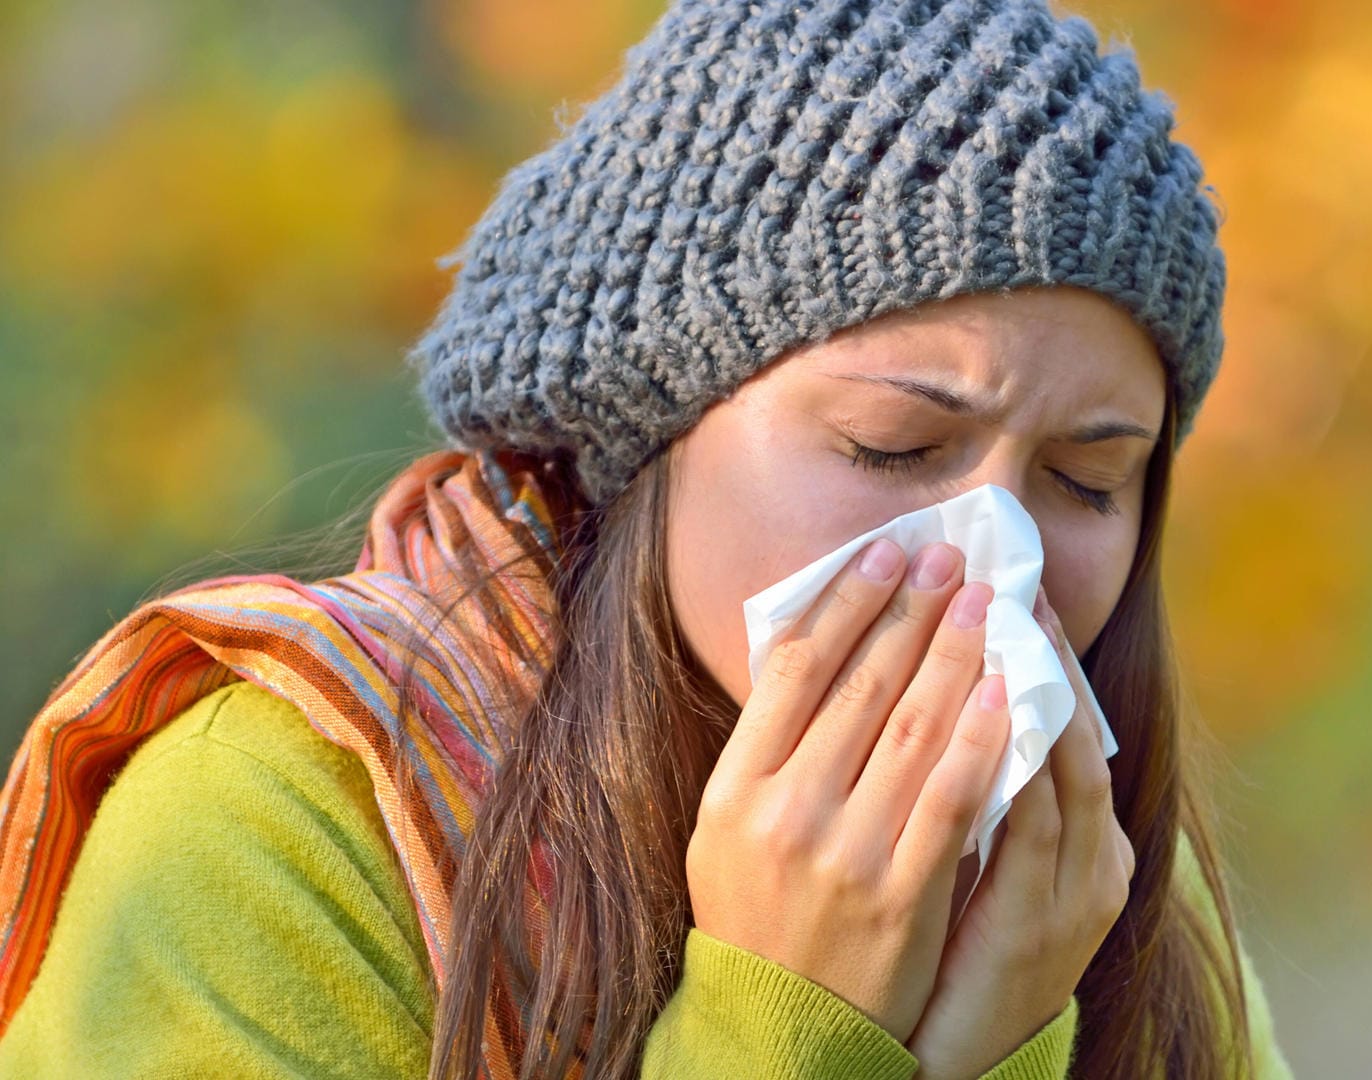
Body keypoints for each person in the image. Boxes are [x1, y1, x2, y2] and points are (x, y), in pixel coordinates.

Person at [0, 0, 1291, 1076]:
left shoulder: (1103, 887)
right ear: (650, 433)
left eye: (1086, 480)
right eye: (893, 447)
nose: (986, 558)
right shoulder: (278, 830)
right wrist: (789, 1028)